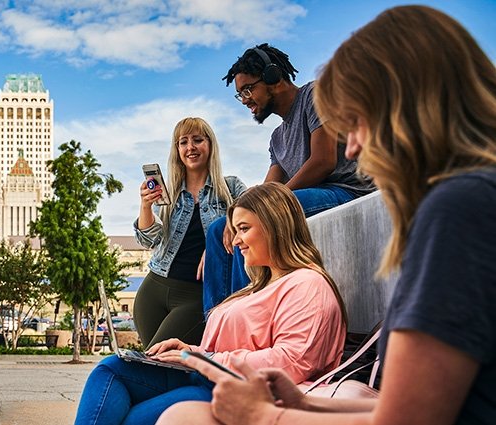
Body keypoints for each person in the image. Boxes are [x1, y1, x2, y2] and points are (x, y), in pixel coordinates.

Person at [160, 5, 496, 425]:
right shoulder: (464, 202)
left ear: (405, 104)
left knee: (184, 417)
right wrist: (307, 403)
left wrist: (266, 416)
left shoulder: (460, 210)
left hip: (331, 193)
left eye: (353, 122)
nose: (350, 149)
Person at [75, 182, 347, 425]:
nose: (237, 240)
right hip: (208, 375)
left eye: (244, 229)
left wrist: (207, 359)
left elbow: (293, 361)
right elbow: (234, 345)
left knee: (132, 418)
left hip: (235, 388)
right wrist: (191, 351)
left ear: (275, 226)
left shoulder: (307, 284)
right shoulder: (259, 287)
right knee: (111, 368)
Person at [203, 44, 375, 311]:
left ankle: (248, 318)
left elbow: (322, 162)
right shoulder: (278, 137)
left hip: (345, 191)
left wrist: (260, 207)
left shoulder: (315, 96)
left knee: (252, 217)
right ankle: (218, 325)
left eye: (248, 89)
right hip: (307, 196)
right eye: (240, 95)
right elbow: (269, 186)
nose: (245, 99)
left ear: (274, 78)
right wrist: (236, 211)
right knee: (218, 228)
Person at [133, 117, 247, 347]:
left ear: (210, 145)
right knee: (162, 369)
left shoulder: (231, 187)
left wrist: (221, 234)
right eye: (183, 142)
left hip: (197, 295)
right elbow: (150, 239)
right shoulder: (170, 192)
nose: (190, 147)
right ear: (177, 150)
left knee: (158, 357)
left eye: (197, 140)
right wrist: (145, 206)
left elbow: (255, 217)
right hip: (153, 289)